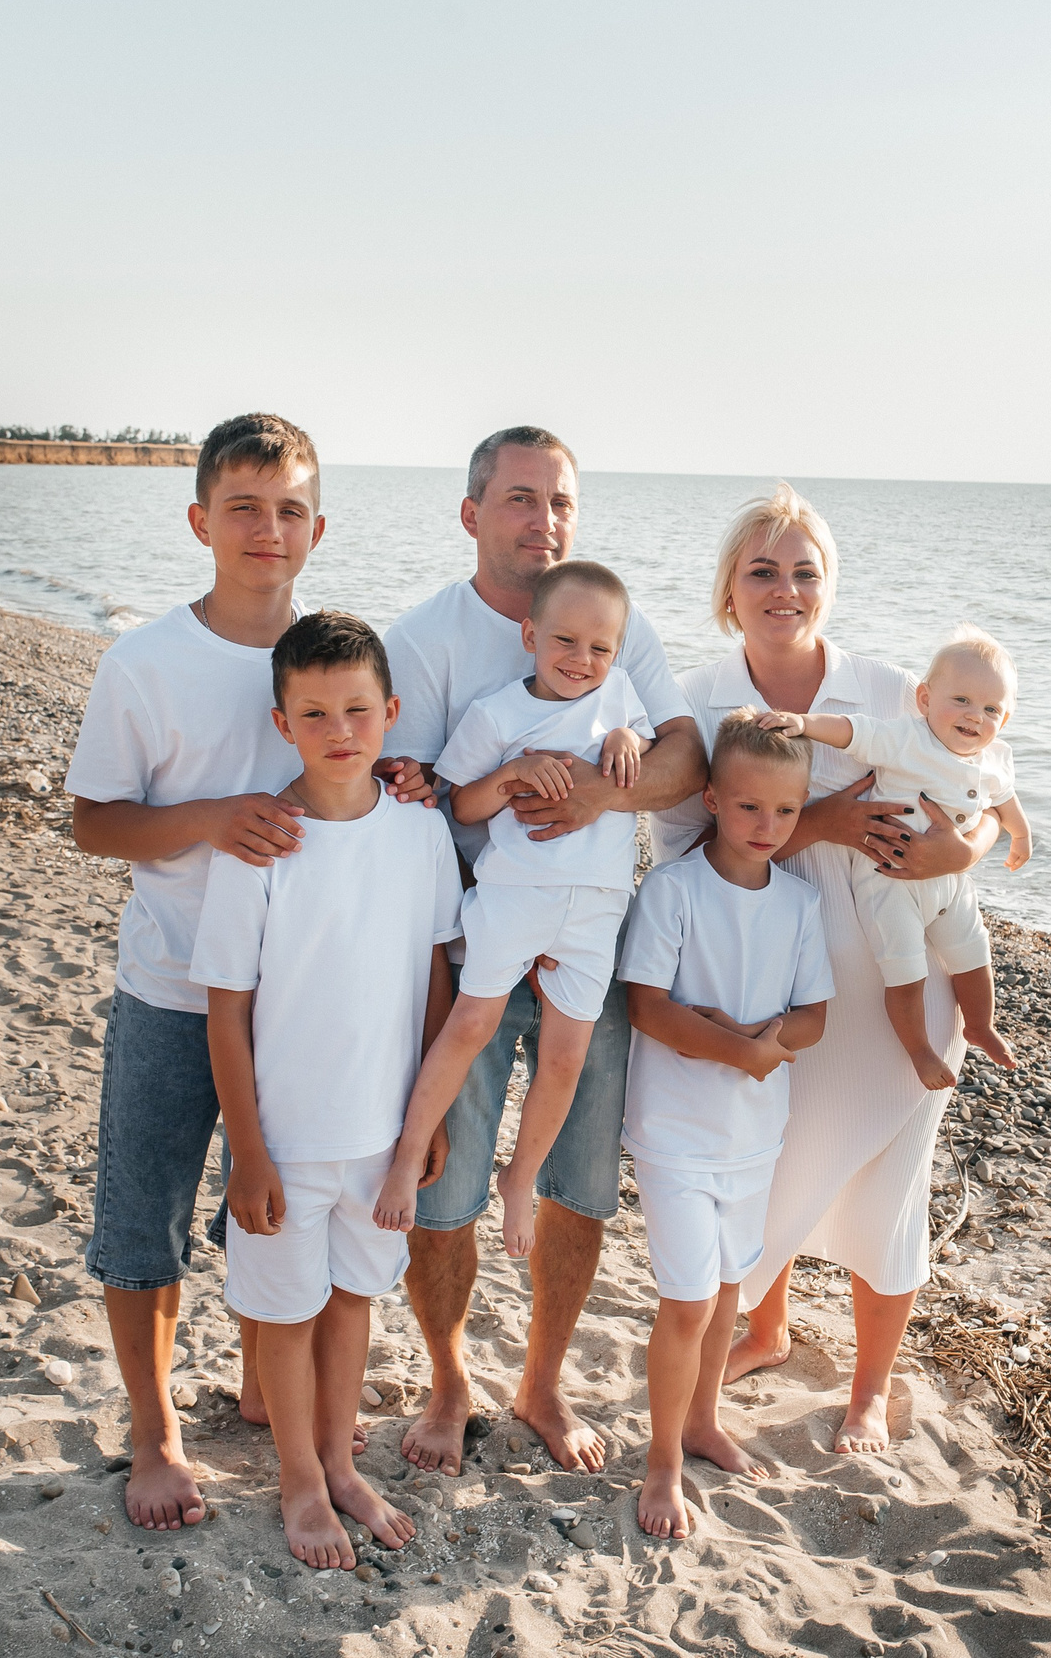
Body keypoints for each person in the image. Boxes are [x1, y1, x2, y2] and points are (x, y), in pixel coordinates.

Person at [646, 483, 1001, 1455]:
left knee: (887, 1191)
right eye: (762, 570)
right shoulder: (695, 702)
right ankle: (766, 1328)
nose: (785, 589)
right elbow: (681, 850)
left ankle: (868, 1391)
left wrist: (966, 848)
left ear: (828, 585)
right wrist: (825, 822)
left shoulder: (889, 691)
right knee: (768, 1169)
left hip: (901, 990)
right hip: (768, 984)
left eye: (804, 572)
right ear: (729, 588)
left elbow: (981, 787)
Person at [380, 425, 706, 1475]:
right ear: (472, 512)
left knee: (579, 1179)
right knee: (447, 1186)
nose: (543, 519)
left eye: (560, 500)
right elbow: (415, 799)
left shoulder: (612, 622)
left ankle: (543, 1380)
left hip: (589, 928)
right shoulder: (424, 639)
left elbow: (687, 758)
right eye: (521, 498)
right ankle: (447, 1379)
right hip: (477, 929)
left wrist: (598, 791)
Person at [64, 414, 332, 1531]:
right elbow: (93, 821)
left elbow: (375, 771)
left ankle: (264, 1389)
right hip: (171, 984)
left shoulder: (335, 655)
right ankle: (155, 1429)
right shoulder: (144, 662)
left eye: (289, 509)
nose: (268, 529)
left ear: (317, 528)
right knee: (147, 1212)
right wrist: (210, 818)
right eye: (244, 508)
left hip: (300, 997)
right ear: (200, 521)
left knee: (275, 1205)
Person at [190, 611, 461, 1569]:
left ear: (391, 712)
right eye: (314, 714)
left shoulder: (421, 834)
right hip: (289, 1135)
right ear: (283, 723)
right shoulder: (261, 843)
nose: (339, 731)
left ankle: (342, 1464)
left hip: (383, 1134)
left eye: (357, 710)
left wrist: (426, 1117)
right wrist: (248, 1150)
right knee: (285, 1310)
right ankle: (301, 1479)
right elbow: (226, 1010)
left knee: (352, 1301)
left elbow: (437, 973)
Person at [373, 560, 655, 1259]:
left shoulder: (620, 694)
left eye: (599, 647)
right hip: (512, 897)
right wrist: (511, 774)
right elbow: (460, 805)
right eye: (564, 641)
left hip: (595, 910)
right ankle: (407, 1156)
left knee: (566, 1056)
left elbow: (647, 742)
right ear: (530, 636)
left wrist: (629, 738)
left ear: (618, 652)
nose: (581, 659)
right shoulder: (497, 714)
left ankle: (519, 1177)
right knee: (470, 1024)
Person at [620, 711, 833, 1538]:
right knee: (685, 1300)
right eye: (749, 806)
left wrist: (762, 1041)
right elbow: (648, 1007)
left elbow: (814, 1014)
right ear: (711, 798)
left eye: (785, 810)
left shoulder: (800, 903)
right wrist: (738, 1048)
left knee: (726, 1293)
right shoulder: (673, 890)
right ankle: (662, 1462)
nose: (766, 825)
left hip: (754, 1135)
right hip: (675, 1131)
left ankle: (704, 1419)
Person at [757, 624, 1032, 1086]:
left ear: (1003, 721)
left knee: (974, 956)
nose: (974, 716)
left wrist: (1020, 835)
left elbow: (1004, 800)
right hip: (889, 880)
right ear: (924, 699)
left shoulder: (994, 758)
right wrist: (804, 724)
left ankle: (980, 1026)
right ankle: (919, 1050)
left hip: (951, 885)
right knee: (905, 974)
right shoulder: (907, 738)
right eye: (961, 700)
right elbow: (853, 732)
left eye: (990, 709)